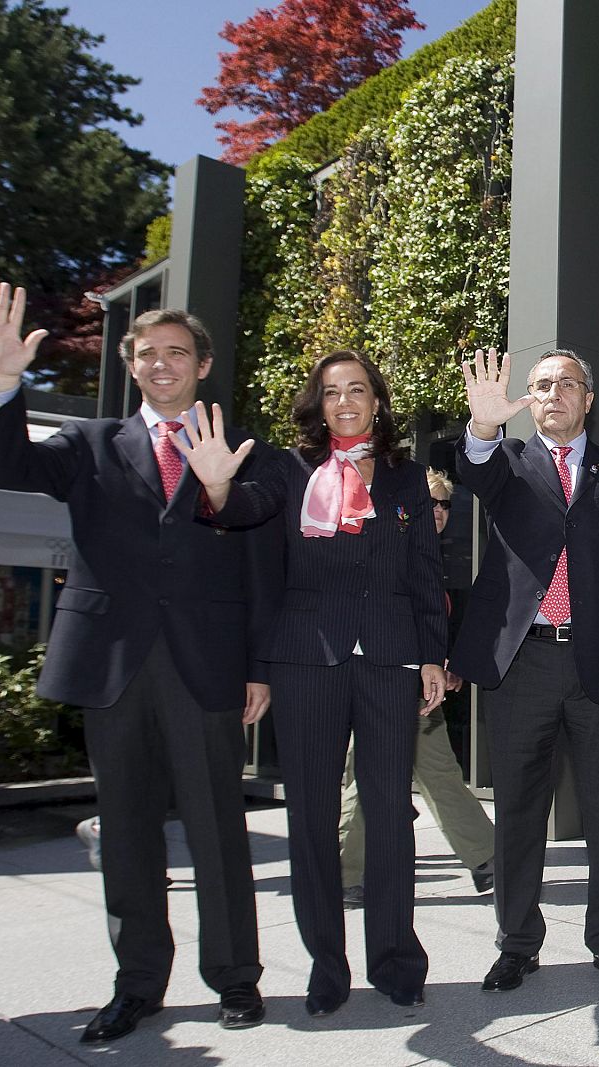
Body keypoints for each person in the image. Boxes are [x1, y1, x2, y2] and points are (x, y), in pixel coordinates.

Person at [0, 285, 273, 1043]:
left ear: (201, 365)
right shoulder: (89, 444)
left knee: (218, 829)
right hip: (113, 664)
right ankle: (138, 984)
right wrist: (1, 386)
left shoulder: (241, 449)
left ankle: (236, 979)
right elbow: (3, 465)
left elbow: (261, 562)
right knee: (127, 831)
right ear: (132, 367)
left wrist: (259, 666)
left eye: (175, 352)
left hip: (206, 664)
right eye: (146, 354)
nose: (161, 364)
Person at [175, 350, 446, 1018]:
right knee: (312, 821)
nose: (346, 402)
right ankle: (327, 966)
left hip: (389, 659)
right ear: (316, 404)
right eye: (332, 392)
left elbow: (423, 572)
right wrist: (212, 489)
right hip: (304, 659)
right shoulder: (283, 468)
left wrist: (434, 656)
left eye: (358, 389)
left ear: (378, 401)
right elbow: (239, 513)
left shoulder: (408, 478)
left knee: (390, 816)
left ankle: (396, 960)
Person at [448, 348, 599, 992]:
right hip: (523, 661)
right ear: (529, 400)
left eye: (567, 385)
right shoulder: (508, 463)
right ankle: (517, 942)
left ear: (587, 400)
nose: (552, 395)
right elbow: (474, 470)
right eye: (540, 386)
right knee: (518, 811)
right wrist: (484, 428)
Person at [339, 469, 496, 906]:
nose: (439, 512)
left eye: (445, 504)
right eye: (429, 505)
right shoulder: (391, 551)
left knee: (427, 772)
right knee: (372, 775)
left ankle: (488, 860)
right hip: (384, 678)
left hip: (419, 688)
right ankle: (345, 873)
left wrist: (444, 665)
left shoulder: (431, 559)